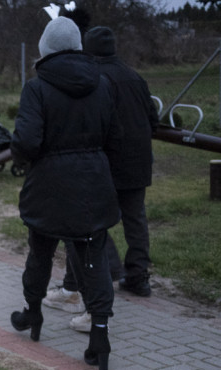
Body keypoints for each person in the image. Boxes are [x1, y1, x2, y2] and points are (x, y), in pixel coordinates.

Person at [9, 17, 120, 370]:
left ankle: (33, 313)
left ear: (45, 49)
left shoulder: (37, 88)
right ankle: (99, 333)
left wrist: (23, 156)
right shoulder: (102, 84)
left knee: (41, 252)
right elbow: (112, 135)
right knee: (94, 257)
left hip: (49, 186)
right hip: (93, 181)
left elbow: (26, 142)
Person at [86, 25, 159, 299]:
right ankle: (139, 277)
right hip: (138, 161)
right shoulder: (135, 76)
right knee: (135, 220)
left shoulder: (95, 79)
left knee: (92, 216)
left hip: (107, 162)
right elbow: (154, 120)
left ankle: (112, 266)